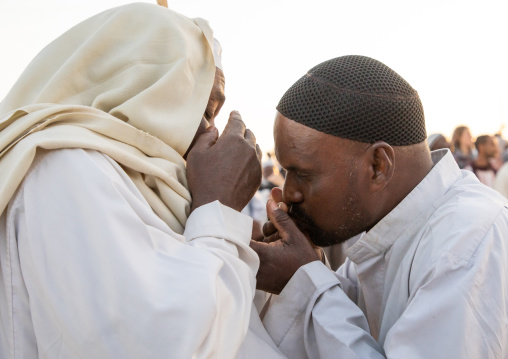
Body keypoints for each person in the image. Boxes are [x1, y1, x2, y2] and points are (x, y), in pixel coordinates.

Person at [0, 3, 283, 358]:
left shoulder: (125, 179)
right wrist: (219, 210)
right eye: (204, 109)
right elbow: (164, 345)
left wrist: (268, 274)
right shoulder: (62, 166)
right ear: (143, 93)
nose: (210, 131)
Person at [251, 55, 508, 358]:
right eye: (284, 172)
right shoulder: (388, 228)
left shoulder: (467, 243)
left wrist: (305, 282)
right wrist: (308, 269)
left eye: (303, 174)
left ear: (377, 166)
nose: (289, 192)